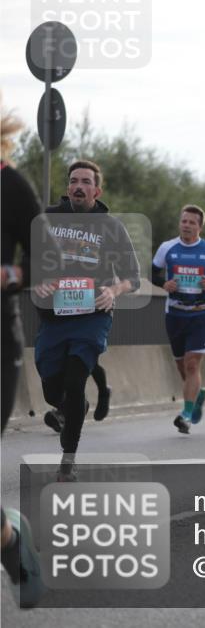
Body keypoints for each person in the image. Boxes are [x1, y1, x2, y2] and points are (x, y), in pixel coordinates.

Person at [33, 160, 140, 482]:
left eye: (86, 181)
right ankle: (71, 407)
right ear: (68, 187)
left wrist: (114, 289)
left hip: (92, 315)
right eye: (74, 181)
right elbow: (29, 260)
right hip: (54, 316)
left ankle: (68, 459)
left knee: (76, 380)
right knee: (54, 391)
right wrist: (36, 280)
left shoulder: (112, 226)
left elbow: (133, 278)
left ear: (97, 190)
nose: (79, 186)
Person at [1, 105, 47, 608]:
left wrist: (9, 276)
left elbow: (44, 258)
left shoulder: (11, 186)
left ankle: (12, 543)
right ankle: (9, 538)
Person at [152, 205, 205, 434]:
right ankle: (197, 395)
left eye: (192, 222)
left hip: (201, 313)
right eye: (184, 221)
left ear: (200, 227)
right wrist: (164, 283)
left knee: (192, 364)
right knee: (181, 365)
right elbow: (153, 273)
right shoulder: (167, 248)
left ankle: (185, 415)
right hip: (175, 313)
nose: (186, 225)